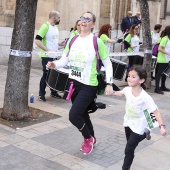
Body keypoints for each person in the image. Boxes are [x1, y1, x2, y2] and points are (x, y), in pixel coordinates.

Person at [46, 11, 114, 155]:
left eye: (88, 19)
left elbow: (108, 64)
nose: (84, 21)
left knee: (74, 115)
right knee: (82, 113)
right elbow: (65, 59)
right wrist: (54, 64)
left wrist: (109, 83)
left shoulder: (97, 41)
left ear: (93, 24)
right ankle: (93, 137)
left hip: (89, 84)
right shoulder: (72, 40)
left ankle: (87, 138)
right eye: (82, 18)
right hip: (74, 83)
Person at [111, 65, 166, 170]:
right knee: (130, 144)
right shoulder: (127, 90)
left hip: (139, 125)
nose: (129, 78)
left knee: (129, 149)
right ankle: (146, 133)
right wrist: (112, 93)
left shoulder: (145, 97)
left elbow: (156, 112)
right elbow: (121, 93)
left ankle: (125, 168)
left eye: (133, 76)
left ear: (141, 80)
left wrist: (162, 126)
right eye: (128, 76)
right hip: (128, 122)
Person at [35, 11, 63, 101]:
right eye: (59, 17)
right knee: (46, 74)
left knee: (54, 74)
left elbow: (53, 41)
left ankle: (53, 92)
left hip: (54, 55)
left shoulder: (56, 27)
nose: (60, 19)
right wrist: (47, 50)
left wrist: (61, 44)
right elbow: (37, 41)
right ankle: (41, 94)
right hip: (46, 56)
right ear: (54, 18)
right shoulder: (45, 26)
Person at [155, 25, 170, 94]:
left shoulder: (168, 39)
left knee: (164, 74)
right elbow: (160, 48)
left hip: (167, 59)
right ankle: (157, 88)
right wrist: (168, 53)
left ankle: (163, 86)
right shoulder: (165, 38)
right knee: (159, 74)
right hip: (162, 59)